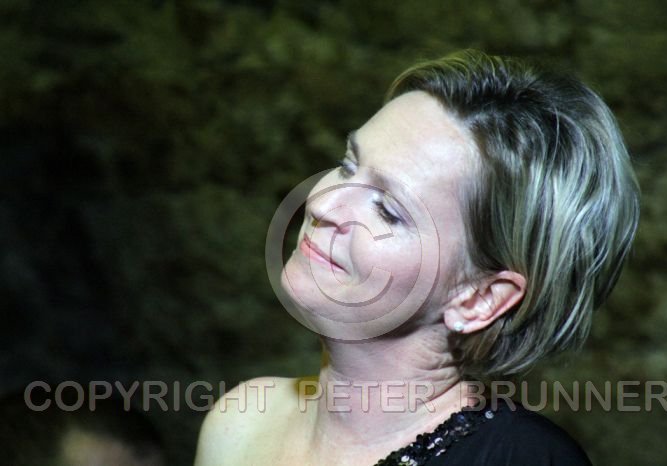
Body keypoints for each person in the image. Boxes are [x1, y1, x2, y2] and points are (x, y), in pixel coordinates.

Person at [194, 49, 640, 465]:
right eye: (347, 166)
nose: (322, 204)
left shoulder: (521, 459)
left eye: (388, 210)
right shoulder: (242, 422)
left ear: (479, 298)